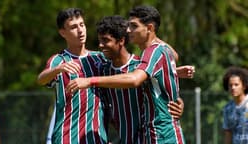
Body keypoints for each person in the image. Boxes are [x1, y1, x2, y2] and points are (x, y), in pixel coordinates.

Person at [66, 5, 186, 144]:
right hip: (145, 136)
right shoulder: (106, 70)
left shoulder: (145, 59)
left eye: (134, 26)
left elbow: (135, 79)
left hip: (162, 135)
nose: (129, 30)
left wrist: (89, 81)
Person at [37, 8, 108, 144]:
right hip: (67, 137)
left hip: (97, 137)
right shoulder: (58, 60)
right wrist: (57, 69)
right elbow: (41, 80)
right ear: (63, 33)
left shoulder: (100, 58)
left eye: (82, 25)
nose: (80, 30)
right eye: (74, 27)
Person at [222, 66, 248, 144]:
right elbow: (228, 134)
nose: (233, 88)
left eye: (236, 85)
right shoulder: (227, 109)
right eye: (230, 85)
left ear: (244, 86)